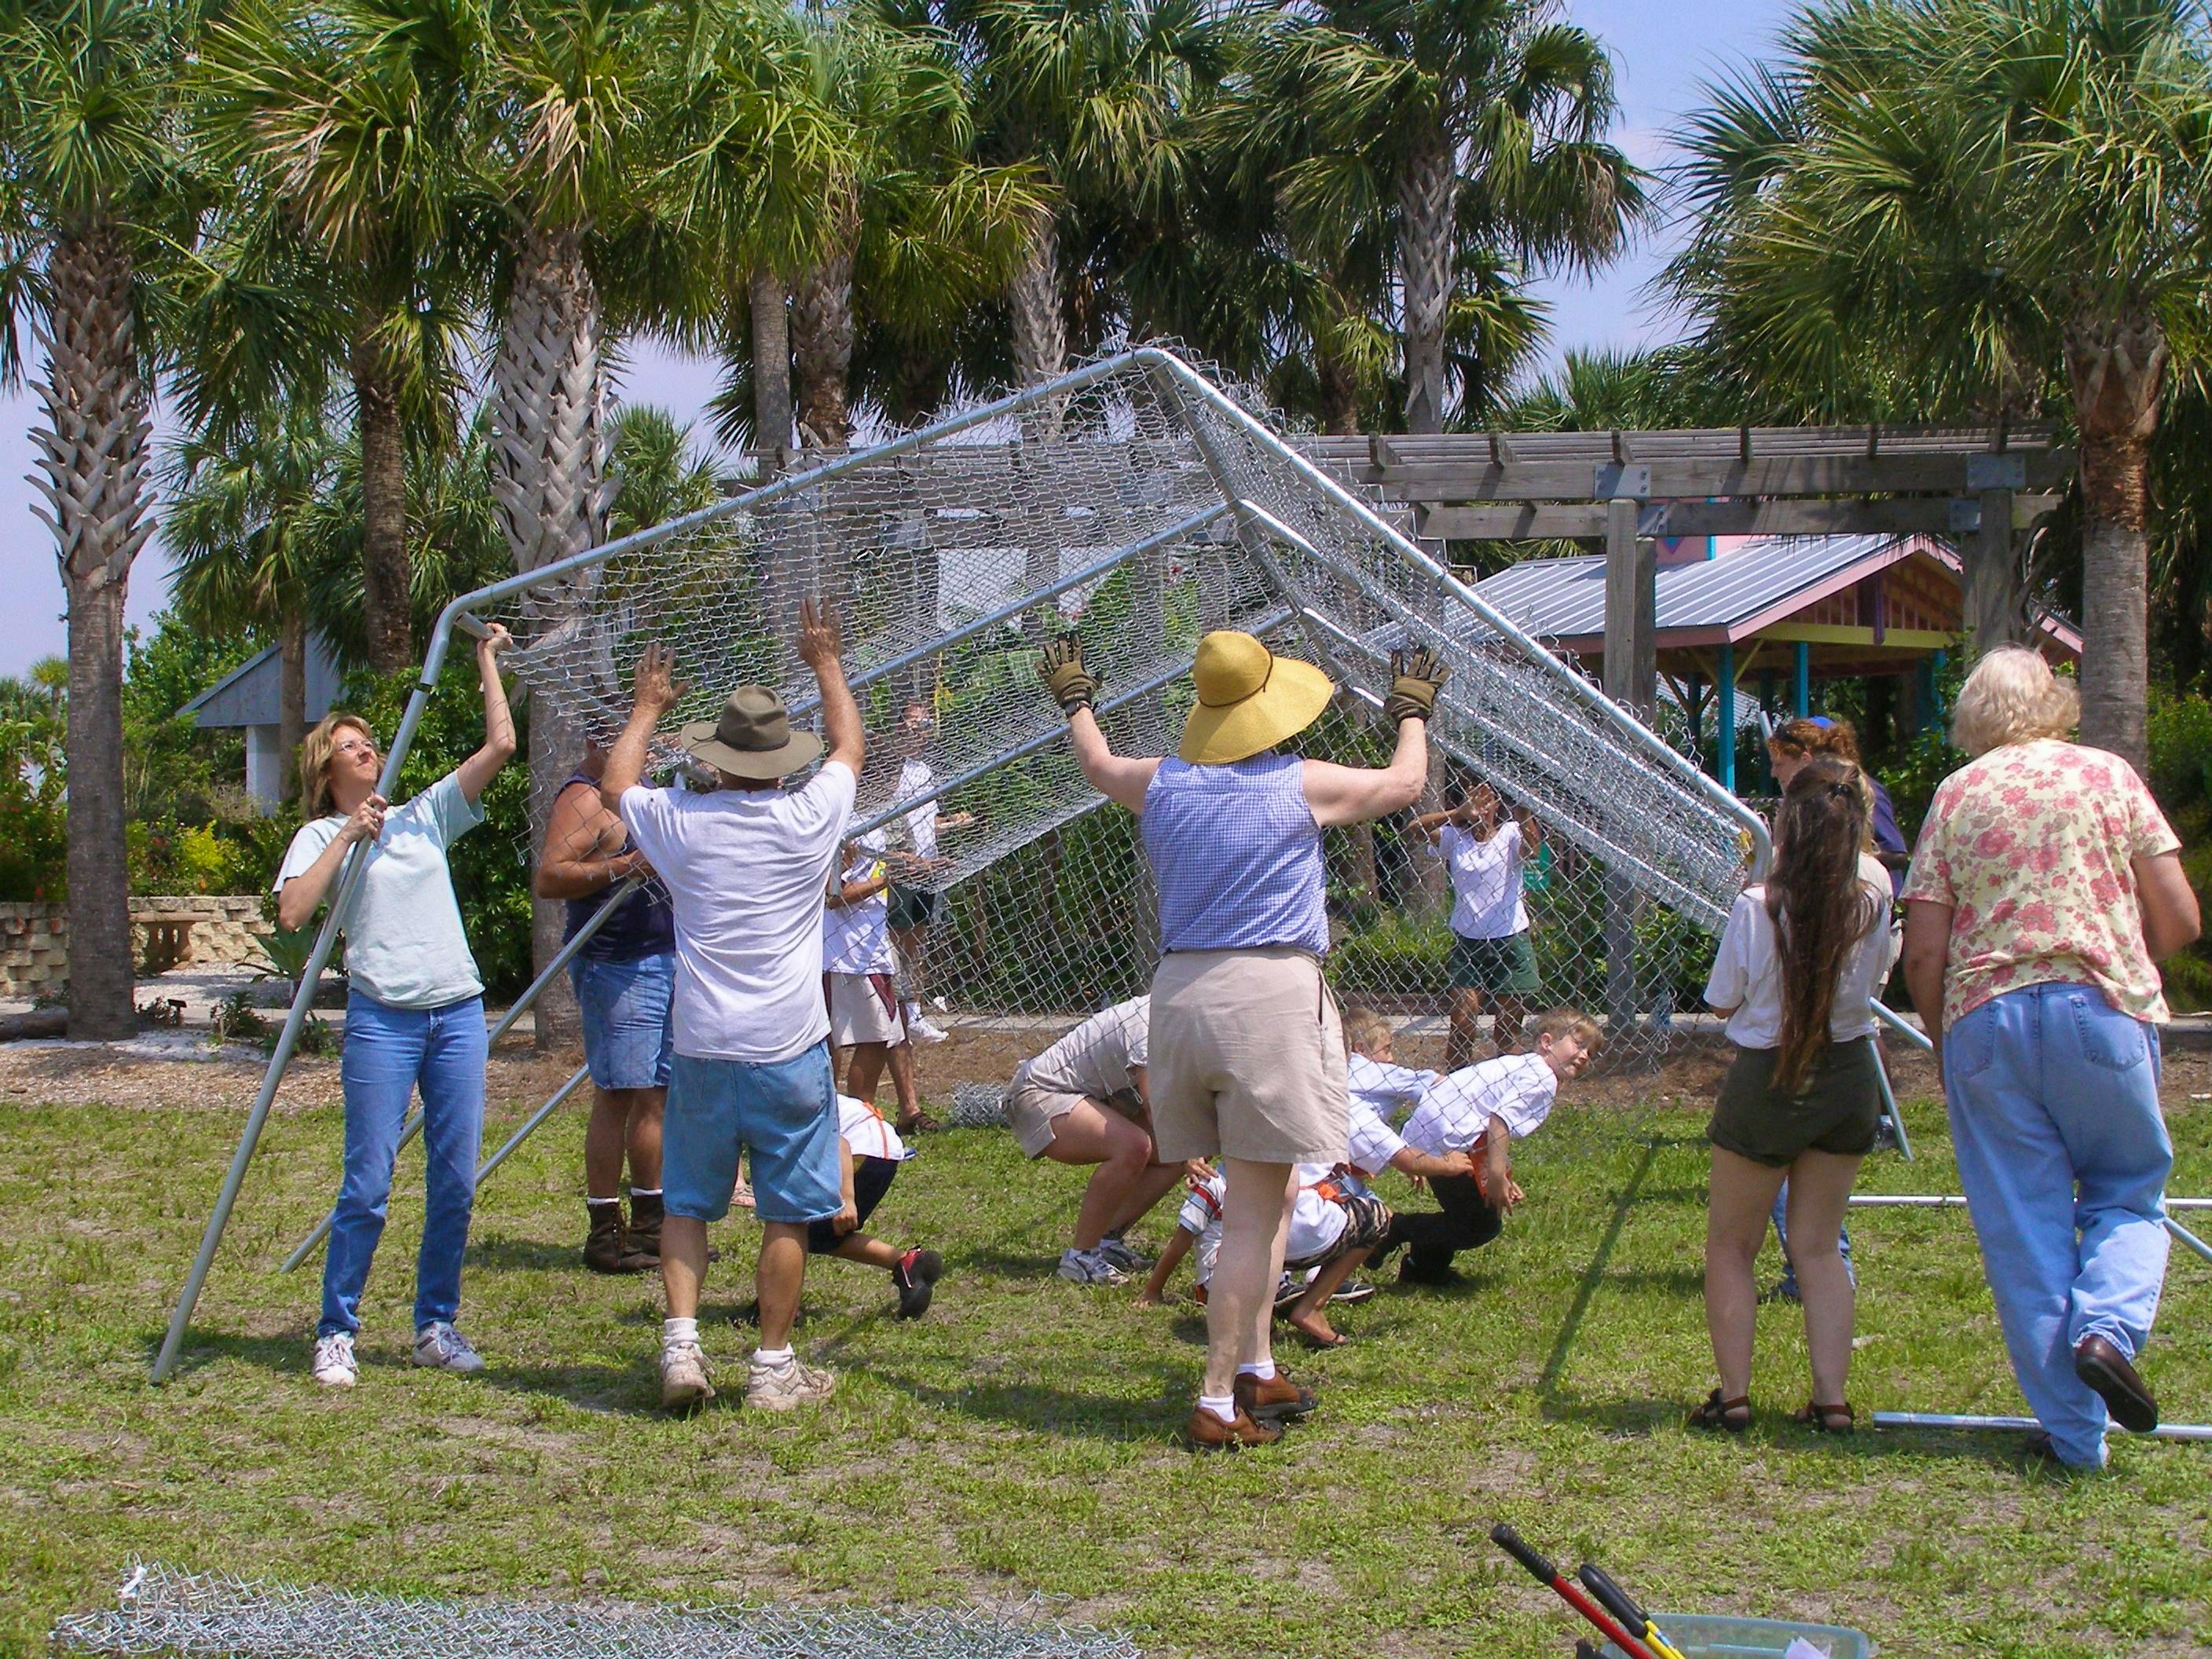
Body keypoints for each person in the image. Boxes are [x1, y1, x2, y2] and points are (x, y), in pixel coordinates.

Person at [1040, 625, 1441, 1448]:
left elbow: (1095, 765)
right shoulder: (1298, 782)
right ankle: (1218, 1399)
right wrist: (1411, 710)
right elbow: (1407, 783)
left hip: (1180, 997)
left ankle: (1256, 1363)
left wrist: (1077, 702)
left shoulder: (1165, 783)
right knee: (1257, 1212)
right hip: (1268, 997)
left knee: (1276, 1189)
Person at [1901, 646, 2199, 1469]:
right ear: (2054, 702)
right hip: (2098, 1010)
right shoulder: (2106, 775)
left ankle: (2075, 1439)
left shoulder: (1955, 795)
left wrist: (1940, 1036)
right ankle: (2105, 1330)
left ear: (1971, 716)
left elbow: (1923, 950)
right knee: (2128, 1193)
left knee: (2021, 1230)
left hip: (1985, 1020)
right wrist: (2130, 967)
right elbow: (2176, 914)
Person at [604, 602, 863, 1414]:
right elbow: (851, 748)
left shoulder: (680, 820)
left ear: (713, 763)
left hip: (703, 1045)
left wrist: (647, 705)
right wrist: (824, 659)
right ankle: (772, 1366)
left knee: (685, 1202)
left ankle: (682, 1350)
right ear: (783, 762)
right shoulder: (806, 817)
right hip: (788, 1046)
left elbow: (617, 784)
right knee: (787, 1212)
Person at [280, 624, 516, 1389]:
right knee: (368, 1184)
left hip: (456, 1013)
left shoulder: (424, 816)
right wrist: (350, 834)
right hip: (382, 1018)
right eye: (349, 746)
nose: (365, 750)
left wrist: (484, 660)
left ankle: (434, 1326)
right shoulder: (322, 832)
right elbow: (292, 912)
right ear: (327, 770)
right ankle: (336, 1331)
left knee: (455, 1179)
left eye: (368, 742)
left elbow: (501, 748)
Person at [1694, 758, 1896, 1435]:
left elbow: (1723, 1001)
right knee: (1817, 1246)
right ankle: (1832, 1399)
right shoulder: (1877, 887)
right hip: (1849, 1073)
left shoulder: (1760, 902)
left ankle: (1735, 1394)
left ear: (1790, 821)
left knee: (1731, 1245)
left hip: (1770, 1075)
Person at [534, 738, 683, 1274]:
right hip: (617, 966)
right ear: (601, 741)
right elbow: (551, 876)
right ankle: (604, 1231)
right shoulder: (584, 797)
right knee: (619, 1094)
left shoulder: (646, 791)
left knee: (658, 1095)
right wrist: (625, 866)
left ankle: (651, 1227)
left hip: (665, 958)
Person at [1761, 716, 1898, 1299]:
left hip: (1814, 1018)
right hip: (1836, 1033)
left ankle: (1814, 1266)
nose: (1773, 771)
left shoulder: (1848, 806)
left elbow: (1888, 854)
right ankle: (1820, 1266)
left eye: (1779, 760)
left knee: (1785, 1144)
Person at [1383, 1009, 1598, 1284]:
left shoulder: (1521, 1065)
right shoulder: (1542, 1079)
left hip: (1432, 1133)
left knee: (1465, 1213)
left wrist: (1501, 1174)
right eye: (1579, 1045)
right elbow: (1498, 1123)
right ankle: (1394, 1230)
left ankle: (1423, 1268)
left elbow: (1483, 1126)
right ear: (1547, 1042)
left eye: (1590, 1053)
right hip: (1449, 1142)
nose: (1584, 1056)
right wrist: (1495, 1179)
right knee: (1479, 1225)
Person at [1006, 996, 1188, 1284]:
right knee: (1135, 1145)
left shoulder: (1189, 1019)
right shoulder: (1150, 1020)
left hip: (1091, 1096)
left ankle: (1107, 1241)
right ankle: (1081, 1257)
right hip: (1040, 1093)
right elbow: (1154, 1104)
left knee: (1172, 1155)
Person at [1411, 778, 1544, 1064]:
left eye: (1487, 800)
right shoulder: (1454, 838)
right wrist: (1457, 814)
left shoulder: (1509, 834)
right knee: (1462, 1021)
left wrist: (1524, 813)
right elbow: (1414, 831)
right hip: (1469, 941)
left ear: (1497, 805)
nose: (1481, 807)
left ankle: (1506, 1086)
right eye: (1475, 800)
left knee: (1507, 1031)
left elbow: (1533, 849)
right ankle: (1456, 1083)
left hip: (1509, 938)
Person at [885, 700, 975, 1045]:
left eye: (926, 727)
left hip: (928, 867)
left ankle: (915, 1015)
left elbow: (928, 824)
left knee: (917, 943)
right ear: (900, 727)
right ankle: (894, 1013)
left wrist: (955, 822)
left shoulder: (924, 770)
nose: (921, 733)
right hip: (900, 867)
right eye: (914, 726)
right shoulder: (892, 769)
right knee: (897, 938)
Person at [811, 1092, 943, 1318]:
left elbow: (838, 1141)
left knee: (799, 1230)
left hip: (863, 1149)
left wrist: (846, 1199)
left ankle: (775, 1305)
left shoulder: (766, 1099)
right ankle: (908, 1264)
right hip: (880, 1147)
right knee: (818, 1232)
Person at [822, 831, 909, 1113]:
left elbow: (876, 861)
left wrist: (915, 864)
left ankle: (849, 1118)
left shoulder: (873, 821)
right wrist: (885, 881)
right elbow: (835, 895)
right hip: (849, 954)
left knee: (880, 1037)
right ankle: (854, 1117)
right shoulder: (846, 823)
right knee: (869, 1038)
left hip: (870, 948)